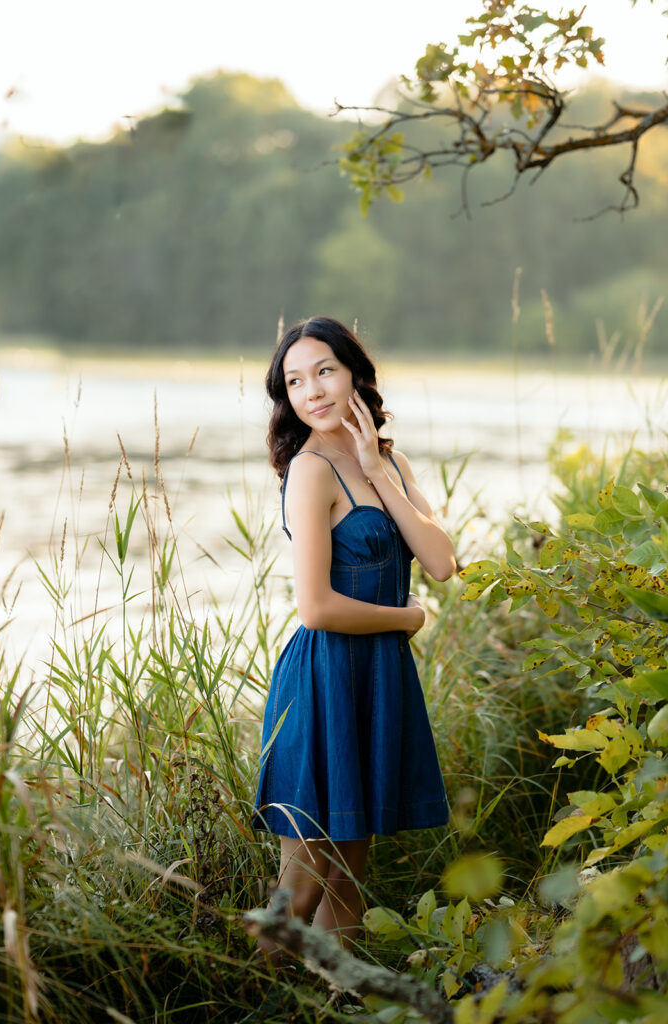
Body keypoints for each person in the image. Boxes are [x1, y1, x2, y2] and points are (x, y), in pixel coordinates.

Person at [249, 316, 456, 963]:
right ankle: (249, 991)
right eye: (294, 381)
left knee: (348, 877)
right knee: (303, 881)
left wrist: (377, 470)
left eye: (323, 371)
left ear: (353, 375)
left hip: (377, 679)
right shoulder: (308, 471)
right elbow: (315, 607)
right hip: (323, 681)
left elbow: (442, 560)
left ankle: (340, 1004)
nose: (310, 390)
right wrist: (406, 619)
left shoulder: (385, 459)